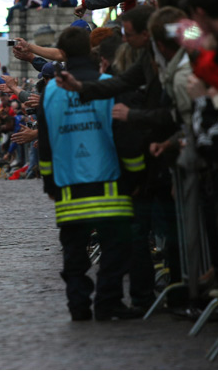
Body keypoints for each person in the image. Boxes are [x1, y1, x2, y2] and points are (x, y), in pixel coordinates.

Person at [37, 26, 141, 321]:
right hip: (111, 188)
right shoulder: (110, 84)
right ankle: (108, 302)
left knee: (74, 255)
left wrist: (49, 182)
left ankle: (78, 305)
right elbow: (125, 136)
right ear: (91, 52)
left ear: (64, 55)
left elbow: (45, 144)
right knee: (115, 250)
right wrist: (136, 176)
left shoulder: (51, 92)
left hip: (69, 190)